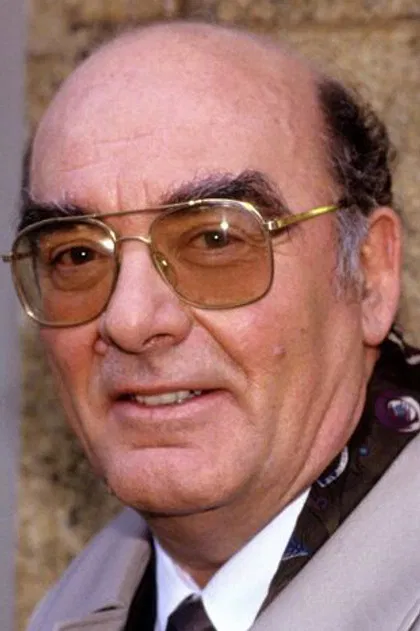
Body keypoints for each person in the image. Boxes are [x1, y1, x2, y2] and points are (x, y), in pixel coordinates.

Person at [6, 19, 420, 631]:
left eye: (215, 239)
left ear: (369, 273)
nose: (129, 320)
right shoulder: (67, 611)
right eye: (78, 254)